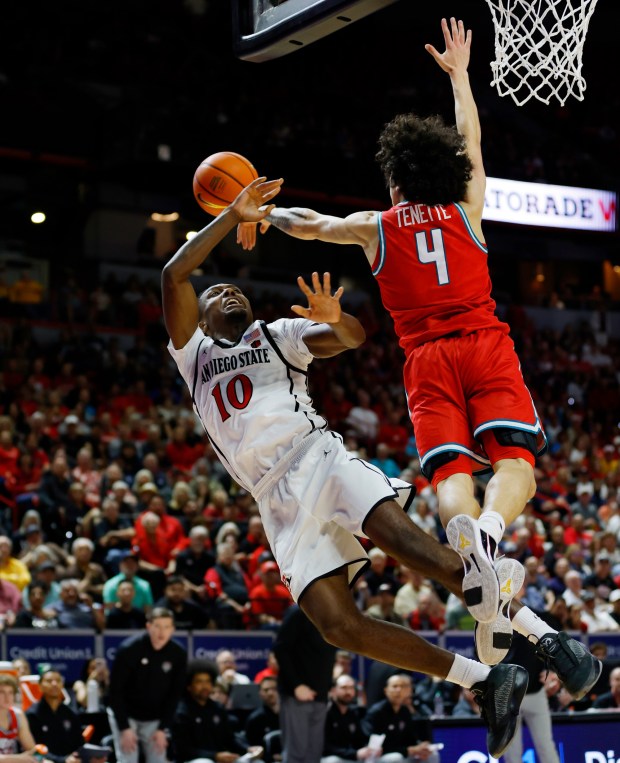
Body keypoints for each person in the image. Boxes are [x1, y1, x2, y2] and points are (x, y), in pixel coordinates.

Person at [161, 167, 599, 759]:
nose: (226, 293)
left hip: (316, 456)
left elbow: (352, 337)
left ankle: (550, 642)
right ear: (201, 314)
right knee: (336, 625)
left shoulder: (273, 334)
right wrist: (233, 216)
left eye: (233, 289)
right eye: (215, 294)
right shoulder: (192, 355)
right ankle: (485, 679)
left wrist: (331, 318)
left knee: (422, 552)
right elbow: (174, 272)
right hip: (273, 498)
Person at [239, 17, 548, 653]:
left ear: (396, 177)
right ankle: (490, 530)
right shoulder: (467, 205)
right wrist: (462, 77)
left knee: (449, 474)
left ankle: (474, 550)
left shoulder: (376, 225)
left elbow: (311, 225)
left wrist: (263, 213)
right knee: (518, 463)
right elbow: (471, 139)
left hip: (426, 359)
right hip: (485, 342)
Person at [107, 607, 187, 763]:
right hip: (126, 713)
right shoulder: (129, 649)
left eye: (166, 627)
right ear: (148, 626)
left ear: (173, 629)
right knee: (128, 758)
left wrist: (163, 728)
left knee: (158, 758)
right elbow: (115, 691)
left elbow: (175, 694)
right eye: (157, 626)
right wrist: (124, 728)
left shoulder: (178, 653)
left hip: (155, 717)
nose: (161, 632)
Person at [273, 605, 335, 763]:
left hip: (321, 694)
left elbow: (327, 653)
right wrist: (296, 685)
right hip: (298, 694)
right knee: (296, 753)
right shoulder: (299, 611)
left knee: (314, 754)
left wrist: (329, 684)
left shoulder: (331, 612)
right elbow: (280, 648)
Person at [172, 660, 263, 763]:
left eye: (208, 681)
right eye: (199, 682)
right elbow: (182, 749)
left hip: (222, 758)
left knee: (256, 762)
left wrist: (247, 749)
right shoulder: (182, 711)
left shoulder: (217, 708)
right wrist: (214, 756)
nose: (205, 686)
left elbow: (230, 739)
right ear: (189, 686)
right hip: (194, 760)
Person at [502, 633, 561, 763]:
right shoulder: (494, 622)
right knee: (512, 750)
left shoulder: (532, 618)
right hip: (508, 695)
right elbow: (483, 654)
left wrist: (551, 670)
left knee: (546, 745)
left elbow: (549, 644)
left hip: (536, 692)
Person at [362, 674, 439, 763]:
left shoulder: (404, 711)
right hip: (378, 757)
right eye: (394, 686)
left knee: (432, 754)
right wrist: (408, 750)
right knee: (396, 758)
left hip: (403, 753)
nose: (398, 690)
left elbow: (410, 739)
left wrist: (420, 746)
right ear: (386, 690)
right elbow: (375, 747)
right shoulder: (377, 712)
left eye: (402, 686)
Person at [26, 670, 84, 763]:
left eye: (58, 680)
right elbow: (33, 747)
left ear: (62, 685)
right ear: (40, 686)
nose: (54, 684)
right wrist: (62, 760)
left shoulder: (70, 713)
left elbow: (79, 743)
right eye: (49, 681)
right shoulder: (32, 714)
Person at [321, 674, 372, 763]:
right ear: (333, 690)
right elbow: (325, 746)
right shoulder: (325, 712)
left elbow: (359, 739)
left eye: (351, 688)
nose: (348, 692)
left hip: (349, 756)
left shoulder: (353, 712)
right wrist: (354, 753)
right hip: (329, 757)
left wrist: (367, 749)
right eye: (344, 687)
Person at [0, 674, 38, 763]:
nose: (7, 697)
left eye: (10, 692)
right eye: (2, 692)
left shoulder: (17, 715)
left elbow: (31, 750)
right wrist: (20, 758)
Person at [245, 676, 280, 750]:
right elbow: (253, 746)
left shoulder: (290, 716)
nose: (270, 693)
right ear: (260, 693)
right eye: (266, 690)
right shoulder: (255, 719)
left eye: (274, 689)